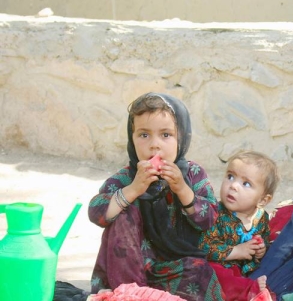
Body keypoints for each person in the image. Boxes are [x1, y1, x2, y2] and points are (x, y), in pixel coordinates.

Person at [88, 92, 224, 301]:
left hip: (173, 268)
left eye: (166, 135)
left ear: (182, 137)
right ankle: (131, 296)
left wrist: (182, 189)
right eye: (144, 135)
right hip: (128, 272)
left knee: (200, 272)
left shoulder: (192, 175)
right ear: (131, 139)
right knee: (124, 214)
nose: (155, 145)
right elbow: (96, 213)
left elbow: (210, 220)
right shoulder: (127, 178)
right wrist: (134, 189)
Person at [198, 151, 293, 300]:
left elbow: (263, 245)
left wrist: (260, 250)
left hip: (247, 272)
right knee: (212, 272)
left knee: (272, 265)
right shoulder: (216, 214)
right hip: (223, 268)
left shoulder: (261, 218)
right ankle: (254, 291)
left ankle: (288, 285)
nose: (233, 186)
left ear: (263, 200)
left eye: (246, 184)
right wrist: (237, 251)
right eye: (230, 176)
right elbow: (204, 247)